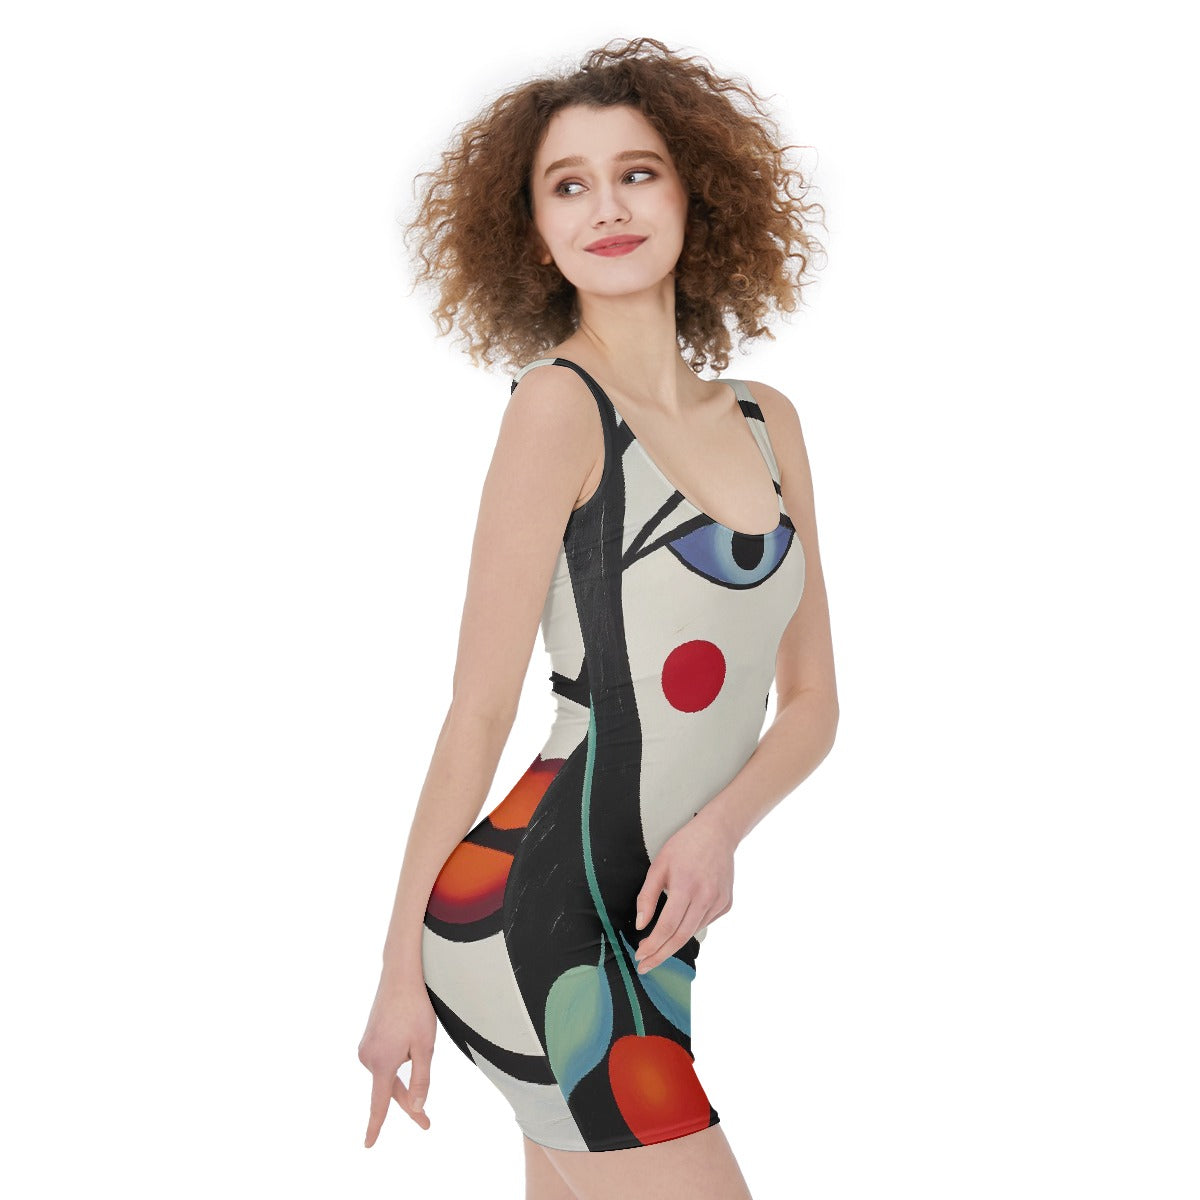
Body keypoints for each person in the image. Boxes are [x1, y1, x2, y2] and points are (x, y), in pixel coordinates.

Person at [358, 36, 838, 1200]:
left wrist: (718, 832)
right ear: (535, 232)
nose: (607, 207)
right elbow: (478, 711)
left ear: (695, 195)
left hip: (652, 929)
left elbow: (814, 704)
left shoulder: (768, 421)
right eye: (567, 185)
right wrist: (396, 975)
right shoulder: (557, 409)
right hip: (540, 918)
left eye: (638, 173)